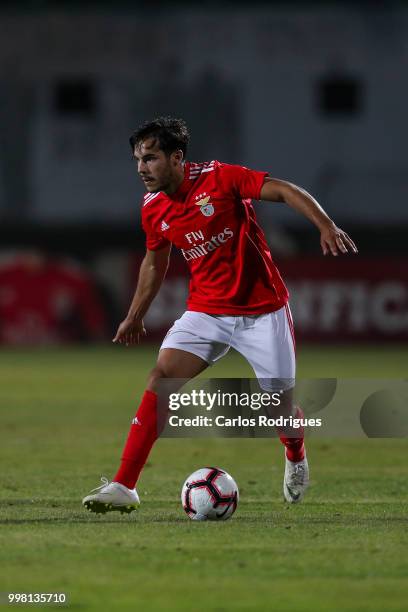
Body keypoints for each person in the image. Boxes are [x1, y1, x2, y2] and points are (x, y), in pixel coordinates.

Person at [82, 117, 357, 514]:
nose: (141, 168)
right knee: (160, 380)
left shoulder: (220, 178)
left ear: (177, 158)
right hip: (207, 312)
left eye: (151, 158)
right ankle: (125, 485)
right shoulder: (153, 207)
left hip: (263, 312)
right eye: (137, 160)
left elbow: (283, 190)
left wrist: (325, 225)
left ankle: (295, 453)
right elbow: (154, 264)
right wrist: (135, 314)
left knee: (278, 409)